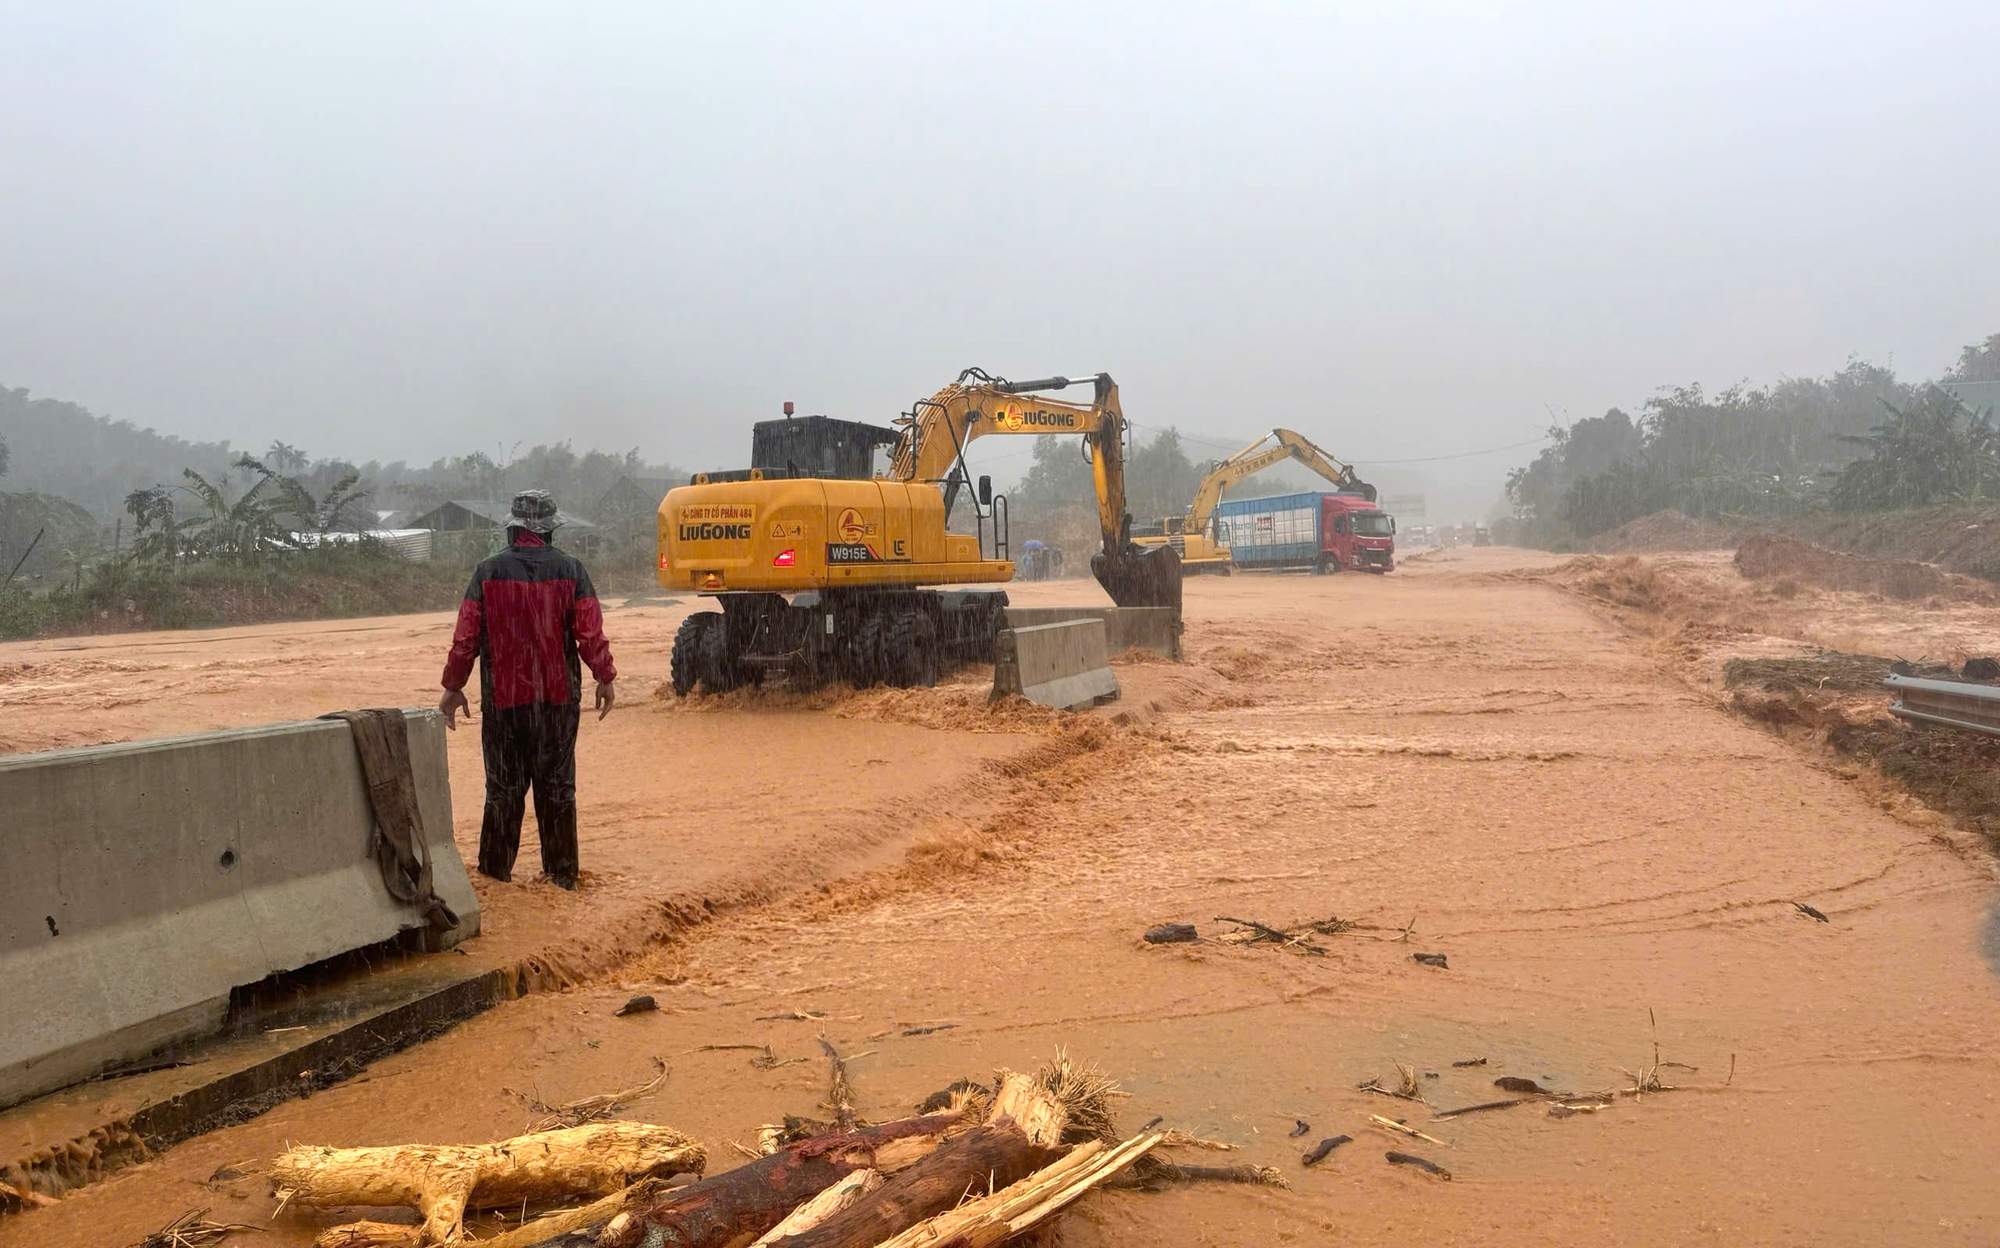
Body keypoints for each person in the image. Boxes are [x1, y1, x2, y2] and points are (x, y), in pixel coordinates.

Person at [438, 490, 616, 890]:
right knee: (558, 791)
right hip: (557, 703)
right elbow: (589, 634)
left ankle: (495, 882)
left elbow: (465, 639)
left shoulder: (487, 572)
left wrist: (453, 686)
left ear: (513, 528)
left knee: (503, 792)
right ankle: (562, 881)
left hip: (503, 704)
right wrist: (604, 676)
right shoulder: (572, 570)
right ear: (551, 528)